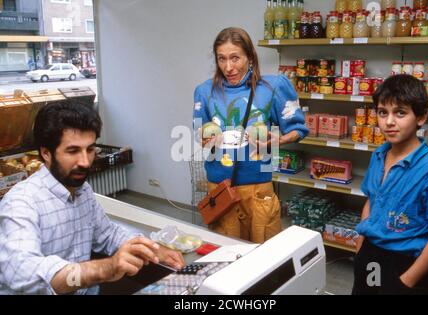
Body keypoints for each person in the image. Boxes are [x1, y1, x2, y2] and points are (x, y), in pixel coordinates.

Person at [0, 102, 185, 295]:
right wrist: (105, 268)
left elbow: (108, 234)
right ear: (46, 153)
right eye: (73, 151)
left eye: (90, 149)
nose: (85, 162)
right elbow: (22, 275)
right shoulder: (21, 202)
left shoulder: (82, 190)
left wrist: (152, 249)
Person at [193, 27, 308, 243]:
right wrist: (204, 137)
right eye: (222, 59)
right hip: (220, 187)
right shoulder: (204, 91)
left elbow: (299, 129)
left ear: (250, 57)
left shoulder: (273, 87)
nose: (228, 67)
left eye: (235, 58)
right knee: (226, 255)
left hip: (258, 188)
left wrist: (279, 140)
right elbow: (199, 130)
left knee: (263, 255)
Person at [352, 74, 428, 295]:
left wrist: (404, 283)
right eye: (382, 112)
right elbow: (371, 200)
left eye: (400, 113)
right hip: (371, 253)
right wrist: (361, 246)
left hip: (406, 264)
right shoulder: (379, 155)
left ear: (422, 116)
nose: (388, 122)